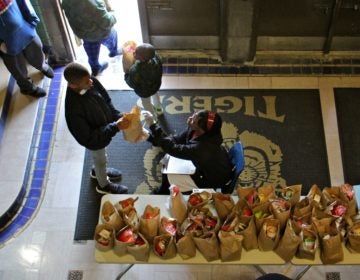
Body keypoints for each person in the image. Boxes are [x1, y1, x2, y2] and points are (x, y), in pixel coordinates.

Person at [63, 62, 129, 194]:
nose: (91, 82)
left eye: (90, 78)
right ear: (73, 85)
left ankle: (97, 171)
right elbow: (89, 138)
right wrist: (115, 126)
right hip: (95, 140)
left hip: (103, 128)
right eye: (86, 81)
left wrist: (116, 115)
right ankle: (103, 185)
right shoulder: (73, 110)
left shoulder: (90, 81)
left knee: (100, 158)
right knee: (101, 159)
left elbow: (105, 98)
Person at [143, 110, 233, 194]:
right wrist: (151, 138)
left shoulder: (203, 149)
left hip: (209, 178)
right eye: (194, 115)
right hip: (210, 165)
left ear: (201, 130)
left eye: (194, 121)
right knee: (168, 161)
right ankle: (164, 189)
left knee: (168, 173)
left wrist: (153, 125)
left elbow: (173, 149)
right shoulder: (201, 131)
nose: (190, 119)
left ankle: (163, 192)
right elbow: (175, 140)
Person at [0, 0, 54, 98]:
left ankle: (42, 65)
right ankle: (27, 87)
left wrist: (31, 17)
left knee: (36, 47)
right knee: (16, 65)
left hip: (23, 26)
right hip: (4, 40)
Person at [61, 0, 121, 76]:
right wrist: (113, 16)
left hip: (84, 34)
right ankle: (113, 51)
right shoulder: (92, 2)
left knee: (92, 54)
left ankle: (95, 68)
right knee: (112, 37)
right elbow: (105, 21)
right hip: (101, 32)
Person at [124, 43, 163, 119]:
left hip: (144, 92)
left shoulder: (136, 70)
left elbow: (132, 83)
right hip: (155, 86)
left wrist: (126, 75)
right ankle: (159, 110)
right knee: (156, 98)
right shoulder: (157, 58)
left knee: (147, 104)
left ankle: (153, 118)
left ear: (142, 59)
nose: (133, 53)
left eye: (136, 53)